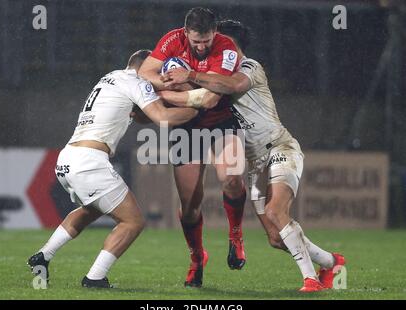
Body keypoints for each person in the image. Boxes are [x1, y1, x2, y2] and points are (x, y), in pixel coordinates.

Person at [161, 20, 346, 292]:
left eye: (222, 46)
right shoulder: (214, 75)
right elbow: (199, 97)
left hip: (280, 149)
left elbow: (230, 86)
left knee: (275, 211)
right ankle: (332, 261)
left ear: (232, 47)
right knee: (274, 236)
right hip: (255, 163)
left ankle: (311, 280)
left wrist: (187, 75)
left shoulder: (249, 67)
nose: (216, 52)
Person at [27, 49, 198, 289]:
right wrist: (196, 108)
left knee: (91, 210)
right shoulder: (137, 81)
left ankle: (43, 256)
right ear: (147, 68)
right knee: (133, 222)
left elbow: (138, 115)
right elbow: (162, 118)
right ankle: (95, 277)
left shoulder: (111, 77)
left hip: (68, 158)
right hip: (90, 162)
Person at [139, 7, 247, 288]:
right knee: (190, 205)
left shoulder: (226, 47)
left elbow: (211, 99)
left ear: (215, 34)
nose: (201, 47)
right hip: (185, 128)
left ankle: (235, 235)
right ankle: (197, 258)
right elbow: (144, 71)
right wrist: (165, 81)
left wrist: (173, 87)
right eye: (196, 41)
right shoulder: (173, 39)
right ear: (186, 33)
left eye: (206, 41)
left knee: (232, 178)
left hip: (220, 121)